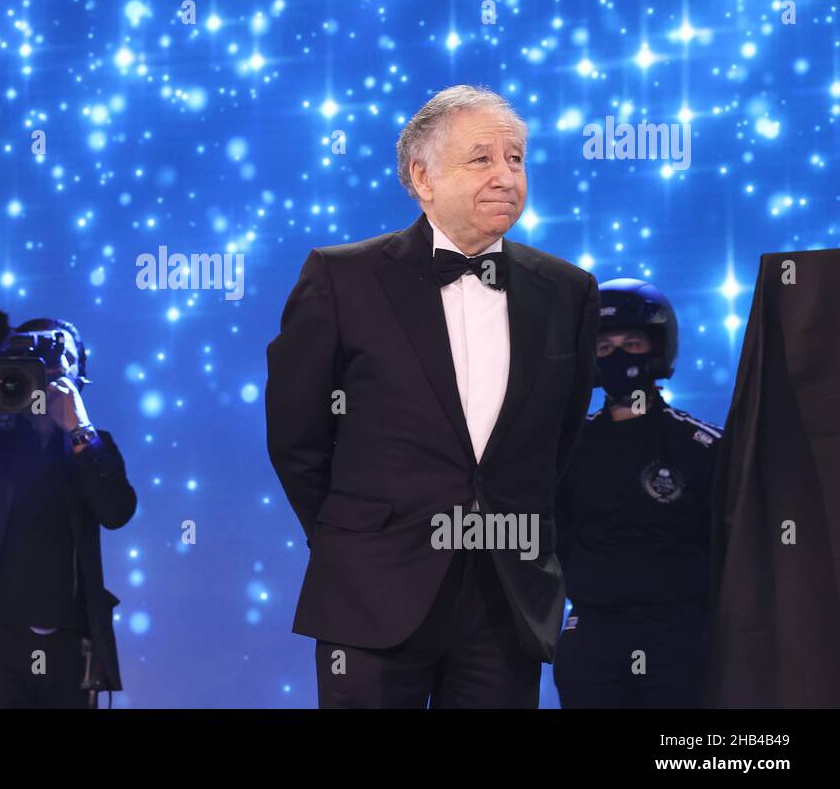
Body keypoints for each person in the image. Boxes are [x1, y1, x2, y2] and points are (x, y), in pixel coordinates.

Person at [266, 84, 599, 707]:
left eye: (517, 158)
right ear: (421, 176)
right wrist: (354, 540)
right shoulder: (343, 278)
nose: (506, 176)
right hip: (371, 594)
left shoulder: (568, 291)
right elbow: (295, 437)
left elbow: (560, 440)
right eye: (481, 159)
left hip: (507, 597)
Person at [0, 317, 136, 707]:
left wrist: (80, 429)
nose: (50, 369)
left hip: (68, 646)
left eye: (62, 359)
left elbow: (117, 510)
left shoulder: (90, 445)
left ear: (81, 373)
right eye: (36, 359)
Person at [553, 278, 721, 708]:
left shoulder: (704, 447)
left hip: (682, 636)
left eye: (632, 343)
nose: (619, 356)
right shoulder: (565, 451)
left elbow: (734, 544)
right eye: (605, 349)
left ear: (658, 347)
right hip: (592, 635)